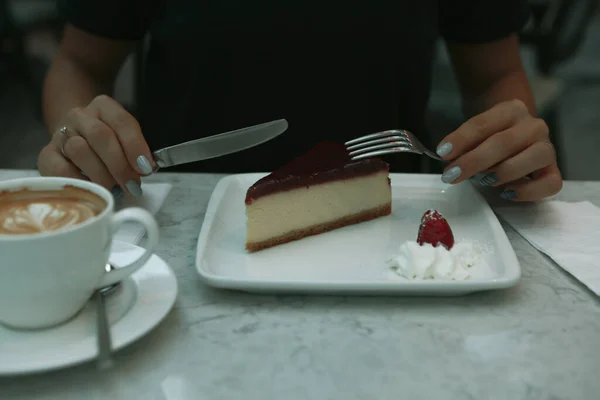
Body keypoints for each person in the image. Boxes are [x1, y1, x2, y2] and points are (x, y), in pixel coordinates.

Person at [37, 0, 562, 202]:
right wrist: (78, 134)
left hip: (388, 223)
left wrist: (506, 142)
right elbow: (79, 65)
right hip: (180, 216)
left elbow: (496, 74)